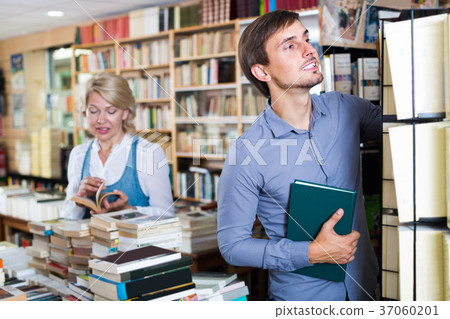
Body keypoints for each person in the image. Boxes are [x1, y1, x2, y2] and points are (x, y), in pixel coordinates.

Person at [217, 10, 380, 301]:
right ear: (262, 71)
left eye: (306, 38)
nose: (310, 50)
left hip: (366, 291)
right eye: (290, 45)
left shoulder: (346, 109)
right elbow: (232, 245)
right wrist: (311, 252)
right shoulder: (247, 153)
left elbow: (404, 130)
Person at [62, 72, 174, 219]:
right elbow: (67, 218)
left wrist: (129, 210)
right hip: (92, 242)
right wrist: (79, 200)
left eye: (111, 111)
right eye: (94, 111)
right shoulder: (79, 154)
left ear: (125, 113)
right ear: (85, 112)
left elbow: (167, 215)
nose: (101, 120)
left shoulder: (149, 153)